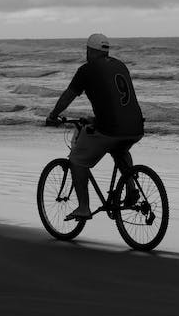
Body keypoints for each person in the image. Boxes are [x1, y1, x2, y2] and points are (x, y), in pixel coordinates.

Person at [45, 33, 144, 221]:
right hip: (136, 126)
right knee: (120, 149)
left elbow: (68, 96)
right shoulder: (120, 65)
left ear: (90, 50)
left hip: (111, 128)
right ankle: (131, 189)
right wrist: (95, 119)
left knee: (77, 160)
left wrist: (53, 115)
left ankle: (83, 208)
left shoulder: (87, 70)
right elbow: (116, 101)